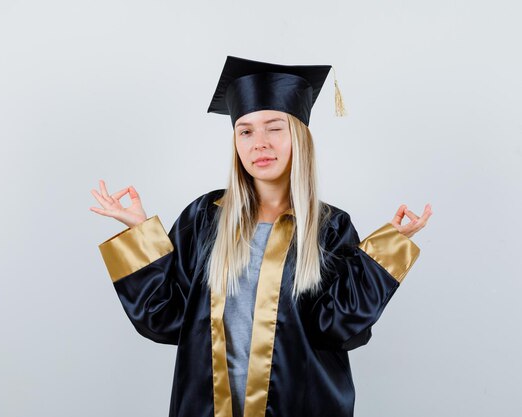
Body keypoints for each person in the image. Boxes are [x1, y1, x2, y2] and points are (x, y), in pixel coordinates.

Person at [89, 55, 432, 417]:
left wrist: (386, 250)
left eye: (275, 127)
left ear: (299, 135)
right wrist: (140, 235)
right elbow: (164, 317)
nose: (259, 143)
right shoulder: (205, 219)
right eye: (246, 130)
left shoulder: (329, 227)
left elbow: (337, 327)